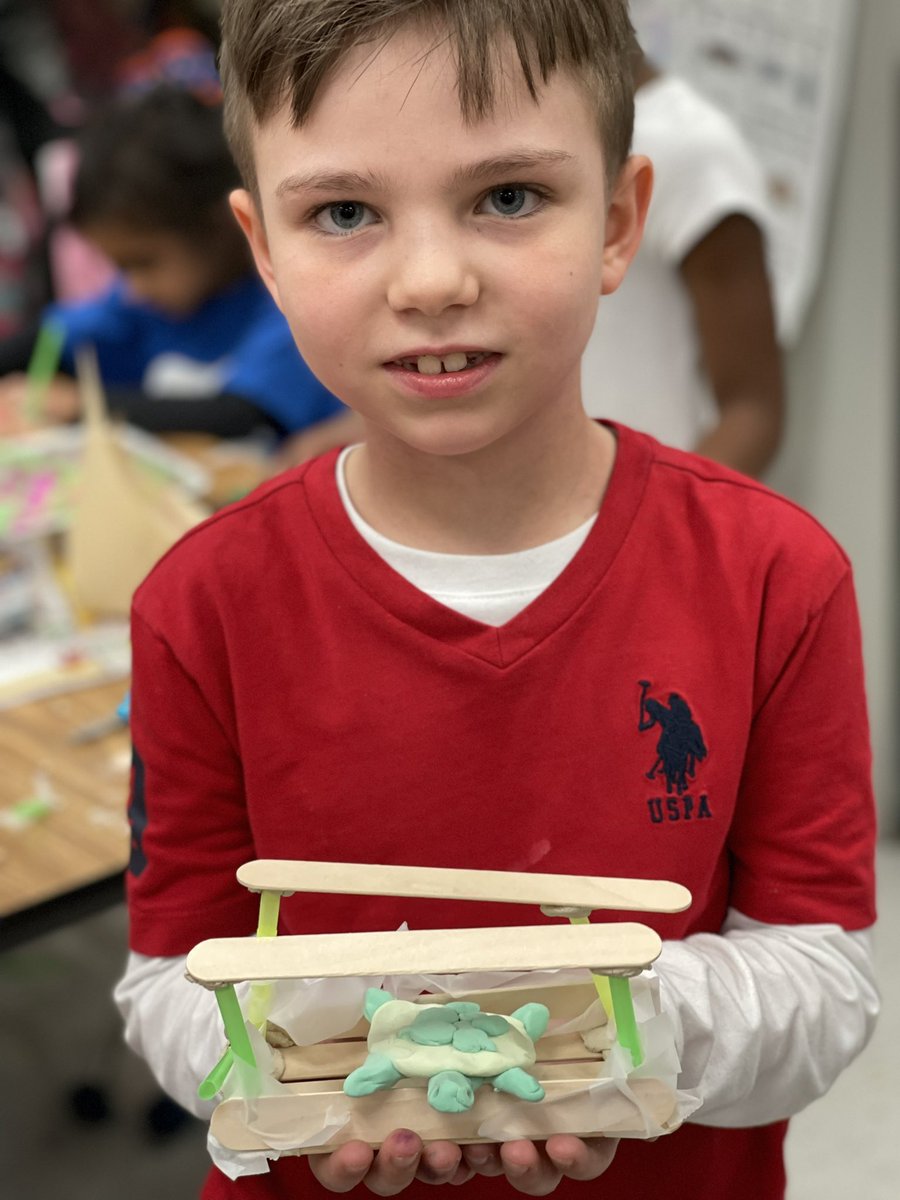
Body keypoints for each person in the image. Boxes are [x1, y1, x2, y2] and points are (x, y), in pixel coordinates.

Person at [114, 3, 878, 1199]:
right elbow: (168, 977)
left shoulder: (776, 575)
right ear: (264, 249)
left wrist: (586, 1034)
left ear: (621, 220)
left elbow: (823, 976)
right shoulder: (198, 606)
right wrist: (328, 1078)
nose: (432, 281)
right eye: (346, 213)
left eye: (509, 196)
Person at [0, 84, 353, 446]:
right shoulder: (140, 304)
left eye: (142, 262)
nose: (133, 288)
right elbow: (54, 333)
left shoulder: (285, 308)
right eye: (121, 267)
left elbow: (242, 414)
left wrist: (80, 405)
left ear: (224, 226)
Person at [580, 49, 784, 477]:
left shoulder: (691, 150)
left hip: (638, 512)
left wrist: (662, 529)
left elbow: (752, 408)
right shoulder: (525, 125)